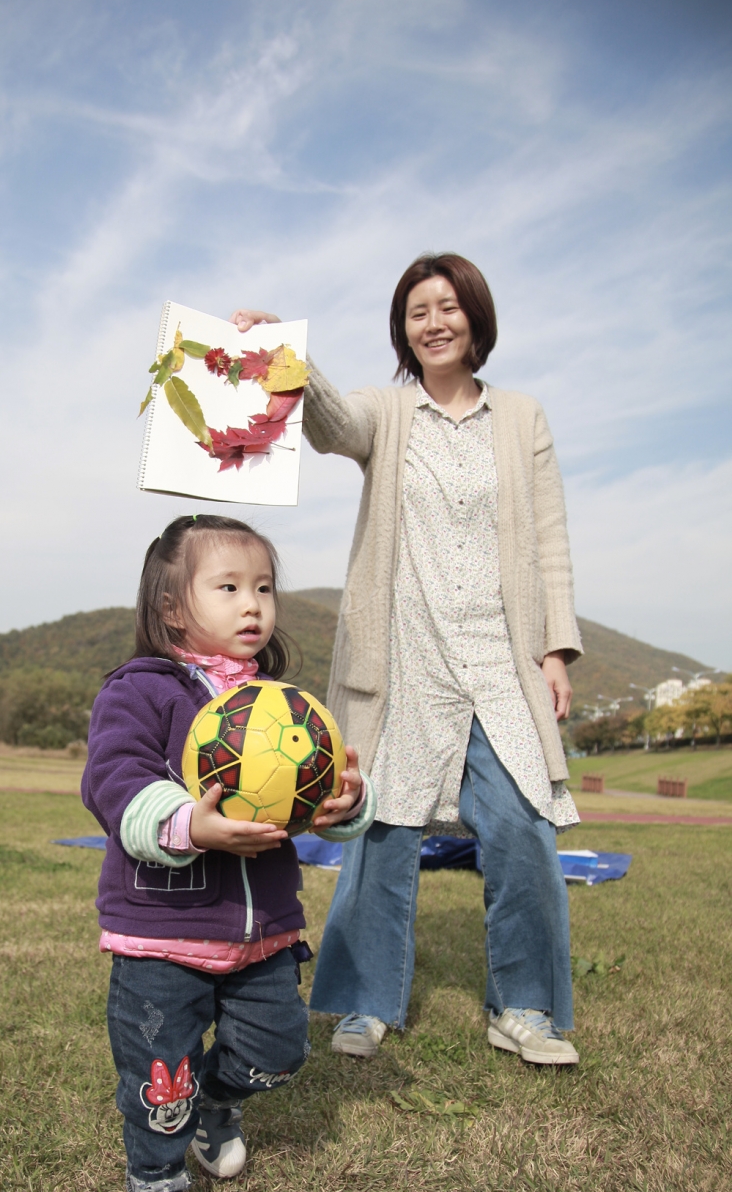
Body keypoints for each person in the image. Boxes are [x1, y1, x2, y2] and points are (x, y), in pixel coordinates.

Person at [231, 251, 582, 1069]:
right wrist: (283, 355)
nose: (435, 321)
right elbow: (330, 426)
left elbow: (551, 540)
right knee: (380, 829)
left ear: (476, 319)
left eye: (449, 306)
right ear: (403, 328)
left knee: (524, 828)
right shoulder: (384, 413)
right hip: (406, 658)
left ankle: (524, 1008)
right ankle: (360, 1003)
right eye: (418, 310)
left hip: (500, 660)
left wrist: (555, 650)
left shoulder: (522, 418)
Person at [82, 515, 376, 1192]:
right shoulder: (140, 691)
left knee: (278, 1053)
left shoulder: (285, 705)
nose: (254, 605)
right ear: (173, 606)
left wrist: (346, 803)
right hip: (162, 934)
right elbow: (113, 785)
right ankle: (156, 1184)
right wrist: (189, 825)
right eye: (229, 587)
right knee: (161, 1077)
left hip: (264, 931)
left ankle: (222, 1101)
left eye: (264, 588)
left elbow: (318, 798)